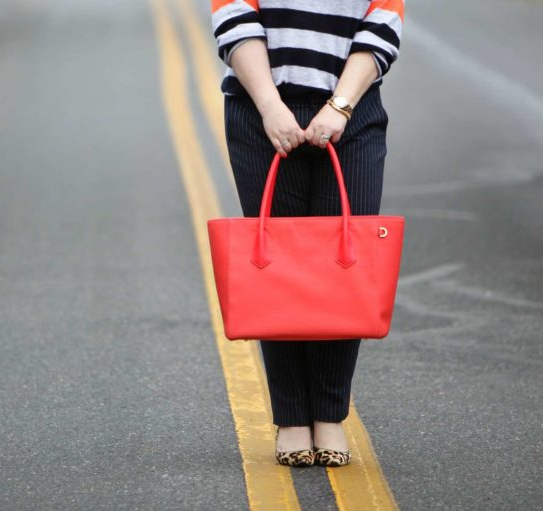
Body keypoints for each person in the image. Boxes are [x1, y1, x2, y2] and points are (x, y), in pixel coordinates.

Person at [211, 0, 404, 467]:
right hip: (262, 114)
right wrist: (271, 107)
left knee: (346, 267)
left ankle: (330, 414)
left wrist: (339, 106)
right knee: (276, 271)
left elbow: (383, 20)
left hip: (352, 113)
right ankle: (292, 416)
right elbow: (234, 16)